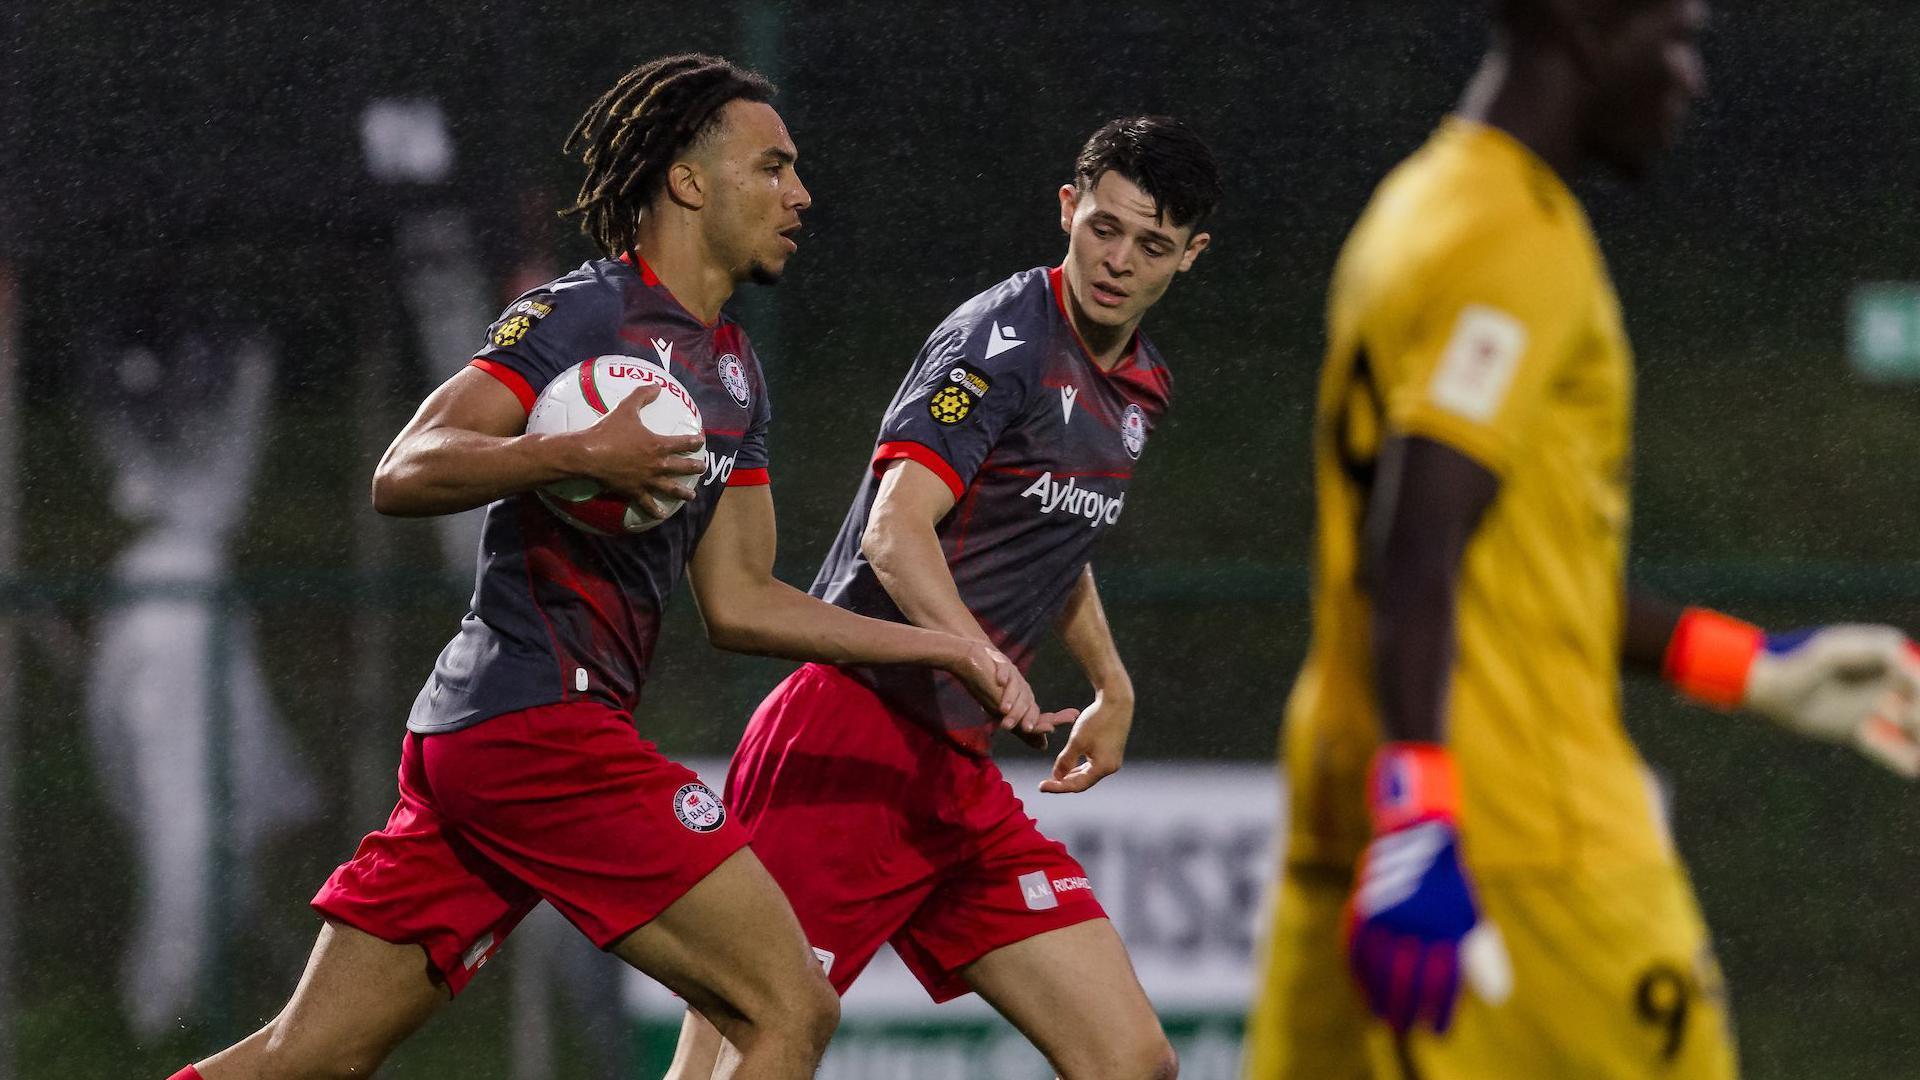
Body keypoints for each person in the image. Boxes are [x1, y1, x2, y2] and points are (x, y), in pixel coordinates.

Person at [168, 53, 1052, 1080]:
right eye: (773, 167)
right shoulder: (586, 314)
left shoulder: (734, 368)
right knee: (790, 1006)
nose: (800, 194)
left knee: (305, 1058)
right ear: (688, 180)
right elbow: (404, 470)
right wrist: (569, 452)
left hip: (494, 744)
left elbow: (742, 599)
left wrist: (943, 645)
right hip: (539, 725)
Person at [1242, 2, 1920, 1078]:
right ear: (1587, 27)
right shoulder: (1516, 239)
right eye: (1678, 32)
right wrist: (1427, 810)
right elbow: (1416, 542)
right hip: (1521, 843)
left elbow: (1506, 576)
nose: (1691, 75)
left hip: (1356, 817)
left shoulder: (1411, 208)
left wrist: (1748, 667)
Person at [666, 116, 1219, 1080]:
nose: (1118, 261)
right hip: (852, 737)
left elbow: (1055, 532)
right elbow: (896, 528)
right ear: (1066, 209)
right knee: (756, 1046)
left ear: (1190, 257)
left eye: (1152, 244)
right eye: (1104, 227)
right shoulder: (1000, 338)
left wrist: (1111, 682)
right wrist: (978, 652)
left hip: (956, 776)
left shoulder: (1142, 390)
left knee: (1132, 1059)